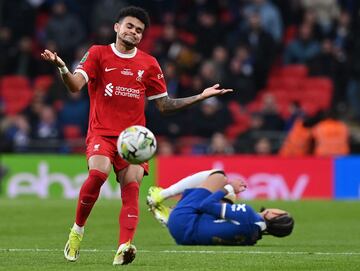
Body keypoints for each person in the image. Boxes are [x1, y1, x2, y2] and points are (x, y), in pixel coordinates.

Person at [40, 6, 232, 266]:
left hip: (134, 140)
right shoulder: (98, 53)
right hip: (102, 134)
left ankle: (124, 246)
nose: (134, 32)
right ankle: (77, 231)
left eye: (139, 30)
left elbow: (164, 105)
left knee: (131, 190)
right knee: (98, 174)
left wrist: (200, 96)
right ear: (117, 27)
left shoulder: (149, 63)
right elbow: (75, 86)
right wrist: (62, 67)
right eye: (130, 26)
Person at [147, 169, 294, 245]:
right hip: (183, 237)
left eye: (280, 211)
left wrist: (229, 187)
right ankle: (171, 213)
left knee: (218, 176)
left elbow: (205, 205)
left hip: (183, 221)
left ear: (275, 216)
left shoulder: (248, 214)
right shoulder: (253, 238)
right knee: (228, 201)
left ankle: (162, 195)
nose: (277, 208)